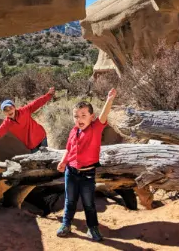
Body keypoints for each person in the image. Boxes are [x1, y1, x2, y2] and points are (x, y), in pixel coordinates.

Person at [56, 88, 117, 242]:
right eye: (76, 116)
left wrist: (109, 99)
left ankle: (92, 228)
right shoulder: (73, 131)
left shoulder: (95, 128)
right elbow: (69, 149)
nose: (79, 119)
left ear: (92, 117)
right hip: (71, 172)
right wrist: (63, 161)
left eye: (83, 115)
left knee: (88, 203)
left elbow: (104, 116)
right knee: (69, 200)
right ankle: (66, 224)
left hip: (87, 174)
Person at [0, 87, 55, 153]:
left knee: (47, 158)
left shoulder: (24, 111)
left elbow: (37, 103)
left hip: (41, 137)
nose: (9, 111)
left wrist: (48, 95)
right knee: (40, 163)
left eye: (10, 108)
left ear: (14, 107)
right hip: (32, 145)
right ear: (3, 113)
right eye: (6, 110)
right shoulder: (7, 124)